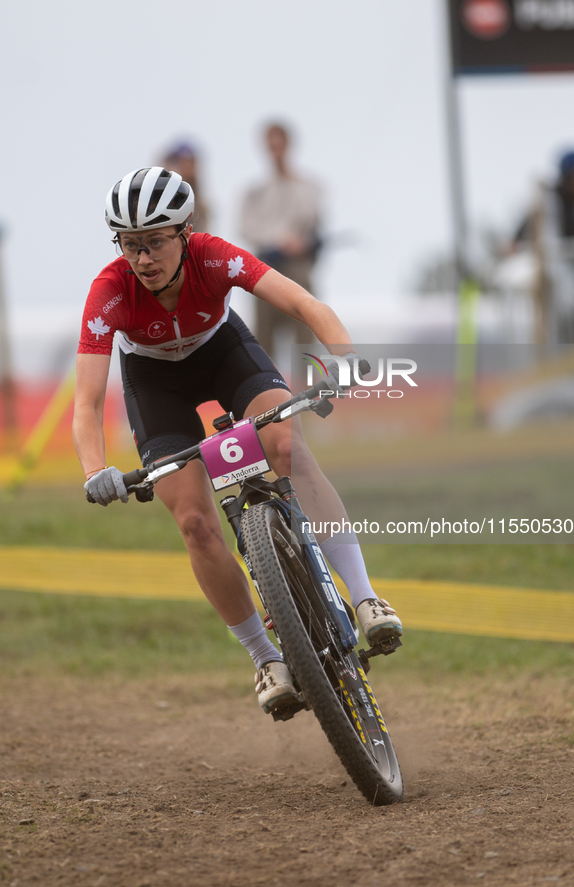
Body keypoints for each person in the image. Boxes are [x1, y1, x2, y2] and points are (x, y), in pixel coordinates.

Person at [73, 167, 402, 714]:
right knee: (195, 524)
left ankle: (365, 599)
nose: (143, 259)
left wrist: (346, 356)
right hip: (156, 385)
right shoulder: (110, 291)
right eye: (130, 246)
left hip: (224, 354)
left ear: (185, 232)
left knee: (288, 450)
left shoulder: (213, 255)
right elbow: (85, 403)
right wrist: (94, 470)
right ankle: (266, 658)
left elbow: (303, 303)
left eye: (154, 243)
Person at [239, 122, 322, 360]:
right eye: (270, 145)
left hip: (298, 268)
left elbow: (313, 222)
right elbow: (246, 227)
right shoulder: (254, 192)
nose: (276, 150)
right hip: (266, 268)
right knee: (263, 341)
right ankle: (270, 394)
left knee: (305, 335)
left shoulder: (309, 186)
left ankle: (311, 393)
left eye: (279, 144)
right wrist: (279, 239)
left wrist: (300, 243)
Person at [161, 140, 210, 233]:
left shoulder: (201, 204)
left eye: (190, 163)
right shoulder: (158, 198)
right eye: (182, 162)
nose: (187, 168)